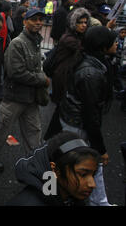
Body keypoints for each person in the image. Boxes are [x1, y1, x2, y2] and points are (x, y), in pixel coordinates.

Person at [57, 26, 117, 206]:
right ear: (102, 46)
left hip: (74, 121)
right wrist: (101, 148)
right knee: (89, 163)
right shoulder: (90, 73)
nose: (117, 44)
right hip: (78, 125)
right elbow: (90, 115)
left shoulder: (95, 63)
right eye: (113, 42)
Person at [0, 9, 50, 169]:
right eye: (34, 19)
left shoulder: (36, 41)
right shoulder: (18, 43)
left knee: (34, 132)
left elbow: (36, 66)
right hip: (14, 98)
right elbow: (16, 72)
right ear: (25, 22)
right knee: (0, 133)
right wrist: (42, 80)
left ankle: (35, 166)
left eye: (41, 20)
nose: (38, 23)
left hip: (31, 99)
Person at [7, 131, 100, 206]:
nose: (92, 184)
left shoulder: (70, 196)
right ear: (55, 170)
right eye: (83, 174)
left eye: (93, 174)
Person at [44, 8, 91, 140]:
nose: (83, 25)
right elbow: (86, 48)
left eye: (85, 22)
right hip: (63, 77)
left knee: (61, 109)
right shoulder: (69, 39)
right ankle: (54, 140)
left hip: (68, 76)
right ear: (73, 23)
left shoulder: (76, 36)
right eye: (80, 22)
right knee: (63, 107)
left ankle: (52, 138)